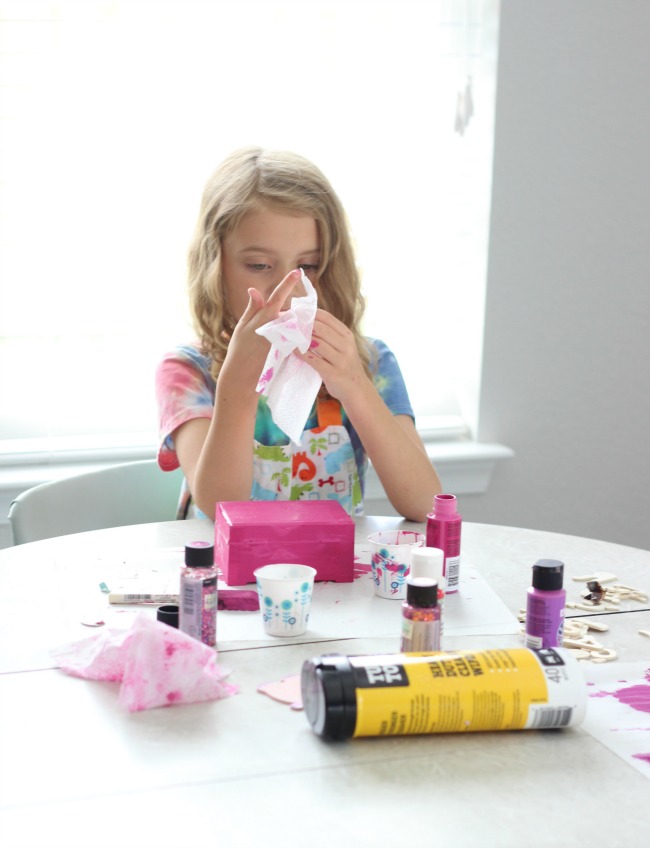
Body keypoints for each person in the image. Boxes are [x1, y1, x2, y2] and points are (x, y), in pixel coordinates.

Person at [156, 147, 441, 522]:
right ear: (215, 265)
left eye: (308, 265)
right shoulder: (188, 370)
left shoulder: (370, 361)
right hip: (225, 576)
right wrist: (238, 387)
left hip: (332, 576)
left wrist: (354, 384)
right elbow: (220, 505)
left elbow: (425, 505)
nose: (289, 287)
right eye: (259, 265)